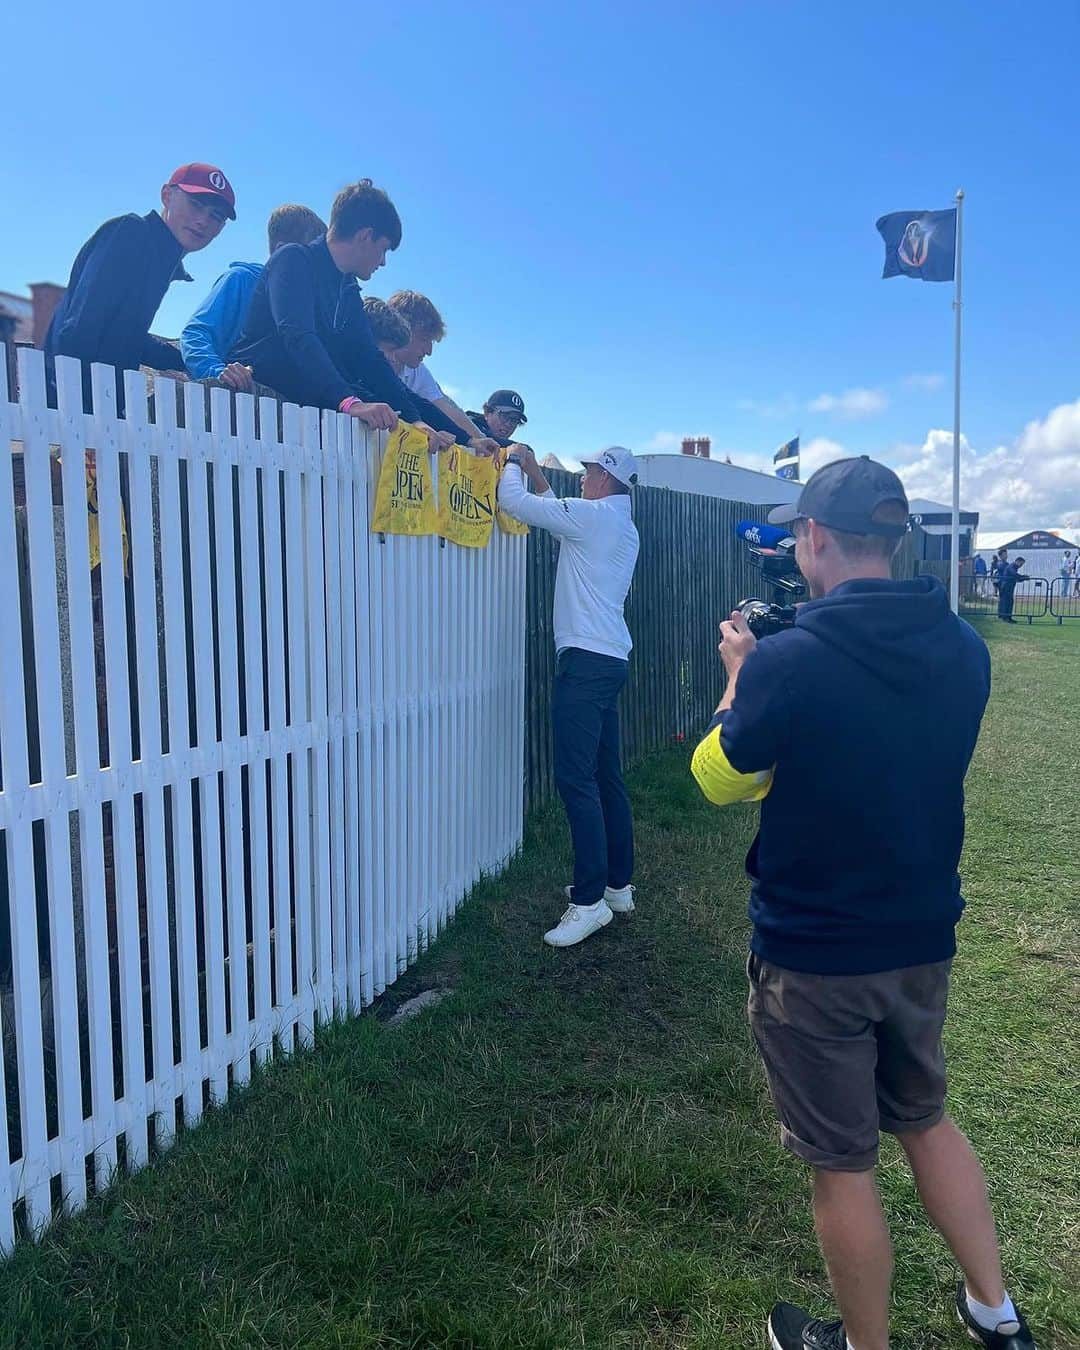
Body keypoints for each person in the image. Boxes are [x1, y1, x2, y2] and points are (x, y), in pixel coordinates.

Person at [690, 456, 1037, 1350]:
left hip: (814, 955)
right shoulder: (963, 647)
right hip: (922, 937)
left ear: (810, 539)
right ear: (895, 539)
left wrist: (738, 678)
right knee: (925, 1120)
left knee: (842, 1166)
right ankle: (996, 1313)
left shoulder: (789, 661)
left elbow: (723, 780)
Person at [498, 445, 640, 948]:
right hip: (609, 660)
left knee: (576, 780)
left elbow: (514, 504)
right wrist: (540, 472)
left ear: (606, 478)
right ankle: (616, 886)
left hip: (583, 663)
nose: (582, 479)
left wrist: (513, 461)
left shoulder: (595, 518)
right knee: (606, 777)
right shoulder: (619, 523)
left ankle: (587, 902)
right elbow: (560, 512)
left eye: (589, 472)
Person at [231, 180, 485, 450]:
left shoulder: (347, 287)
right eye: (384, 249)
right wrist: (349, 402)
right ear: (365, 236)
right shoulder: (293, 259)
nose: (383, 261)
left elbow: (369, 360)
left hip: (300, 420)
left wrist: (417, 421)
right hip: (249, 412)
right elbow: (298, 337)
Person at [44, 162, 237, 404]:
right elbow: (81, 325)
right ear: (167, 195)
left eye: (215, 216)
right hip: (73, 404)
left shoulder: (161, 258)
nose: (202, 221)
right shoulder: (131, 233)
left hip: (97, 407)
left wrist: (195, 361)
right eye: (195, 204)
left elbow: (128, 336)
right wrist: (84, 408)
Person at [180, 204, 326, 392]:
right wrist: (218, 371)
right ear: (282, 250)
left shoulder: (308, 302)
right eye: (309, 259)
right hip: (231, 403)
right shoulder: (242, 279)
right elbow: (195, 334)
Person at [385, 290, 485, 439]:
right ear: (402, 329)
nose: (429, 351)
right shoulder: (368, 356)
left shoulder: (417, 370)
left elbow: (444, 408)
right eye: (424, 339)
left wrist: (479, 440)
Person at [997, 556, 1031, 623]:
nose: (1021, 566)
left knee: (1009, 602)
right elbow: (1015, 575)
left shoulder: (1013, 567)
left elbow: (1016, 578)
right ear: (1017, 561)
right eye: (1021, 564)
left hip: (1009, 587)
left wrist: (1023, 578)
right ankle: (1006, 617)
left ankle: (1008, 617)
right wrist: (1024, 577)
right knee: (1006, 602)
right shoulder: (1011, 567)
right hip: (1006, 587)